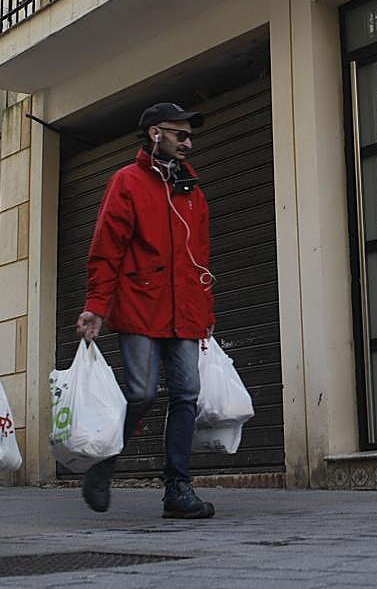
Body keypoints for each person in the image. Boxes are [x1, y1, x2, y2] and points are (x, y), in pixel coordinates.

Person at [76, 102, 216, 520]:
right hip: (140, 305)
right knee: (141, 392)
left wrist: (205, 313)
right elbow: (106, 249)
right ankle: (104, 461)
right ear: (156, 134)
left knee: (187, 392)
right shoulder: (127, 182)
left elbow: (202, 256)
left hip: (186, 311)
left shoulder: (192, 190)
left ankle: (178, 488)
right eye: (180, 134)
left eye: (190, 136)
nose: (188, 142)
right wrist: (96, 307)